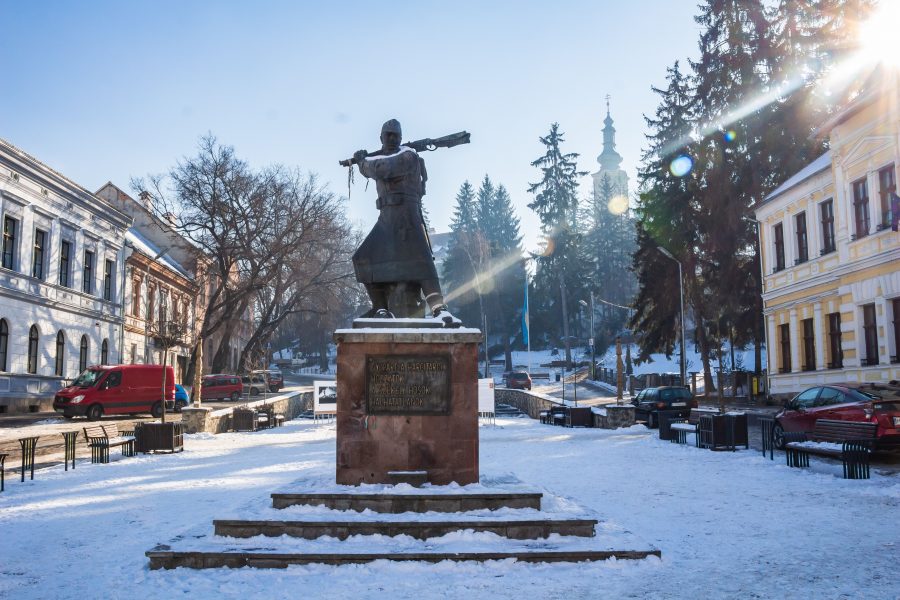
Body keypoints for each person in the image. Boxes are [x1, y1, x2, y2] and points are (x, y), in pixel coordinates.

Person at [352, 119, 455, 325]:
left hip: (407, 215)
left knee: (421, 260)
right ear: (381, 138)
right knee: (363, 257)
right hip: (386, 217)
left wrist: (362, 162)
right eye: (387, 135)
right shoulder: (385, 156)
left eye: (395, 135)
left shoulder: (408, 155)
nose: (391, 138)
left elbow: (382, 169)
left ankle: (439, 308)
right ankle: (380, 308)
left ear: (400, 138)